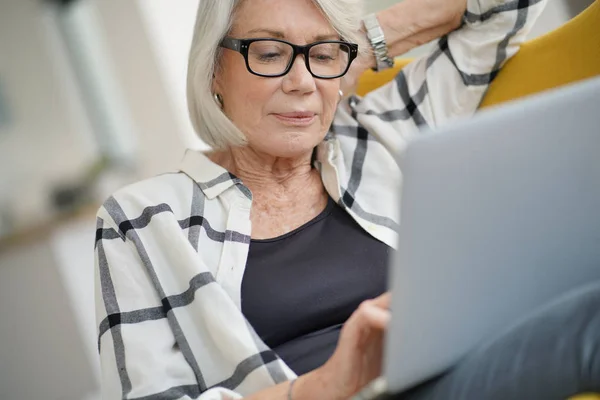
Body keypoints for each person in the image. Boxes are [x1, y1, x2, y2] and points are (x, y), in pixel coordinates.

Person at [94, 0, 600, 398]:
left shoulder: (382, 134)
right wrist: (325, 386)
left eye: (320, 56)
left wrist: (356, 45)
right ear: (213, 75)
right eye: (269, 54)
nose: (301, 83)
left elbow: (508, 7)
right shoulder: (140, 220)